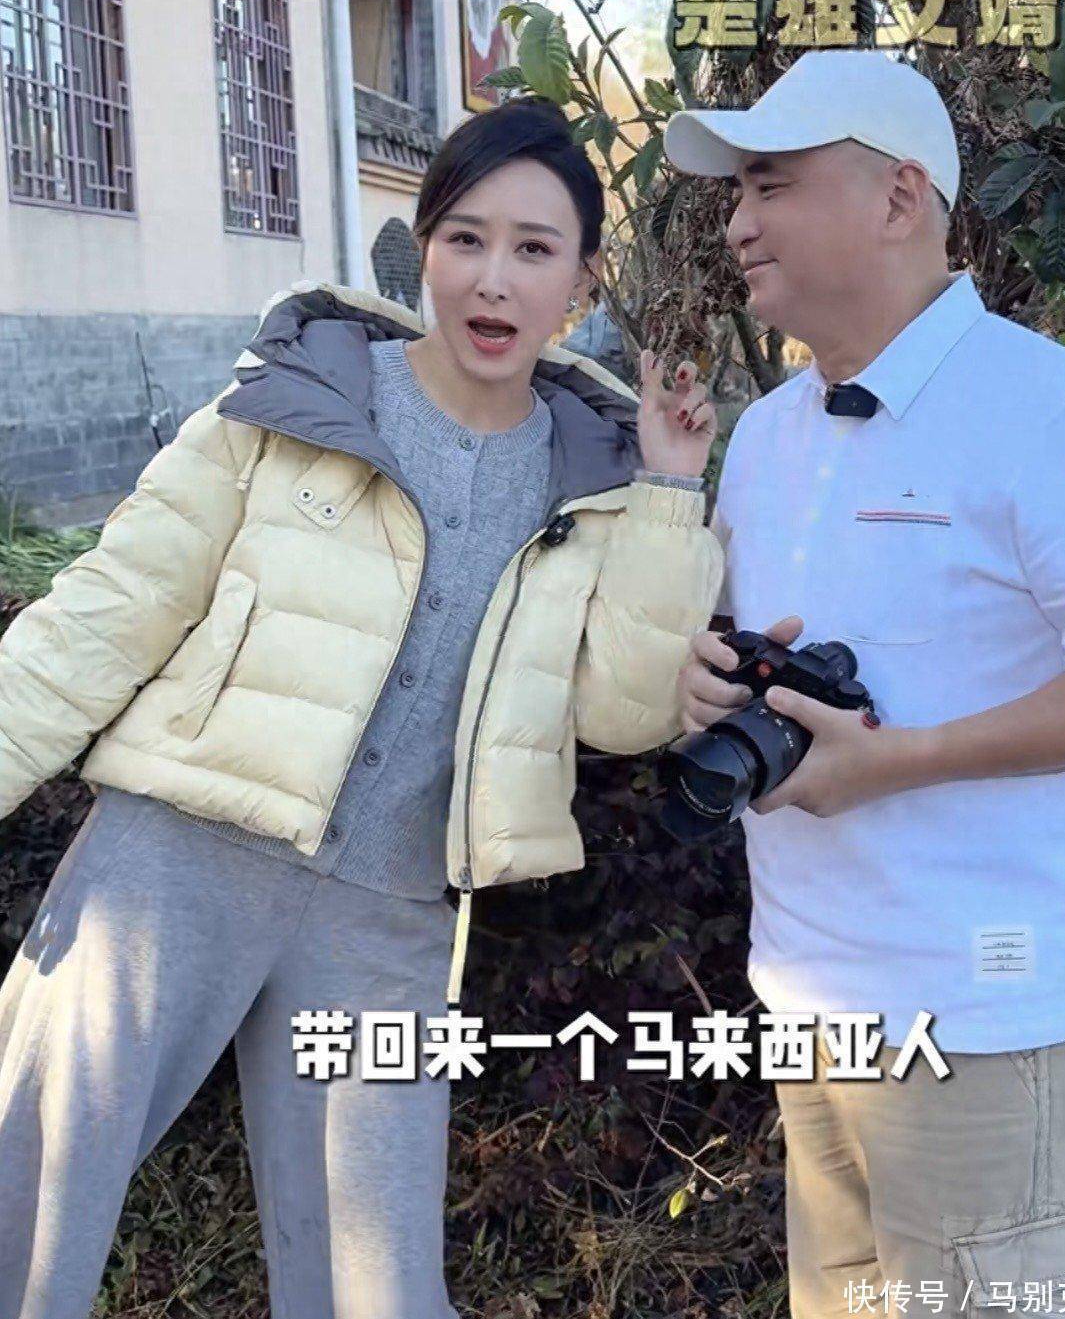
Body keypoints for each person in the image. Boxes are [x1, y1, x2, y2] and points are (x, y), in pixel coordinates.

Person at [0, 98, 724, 1319]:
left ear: (583, 279)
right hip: (173, 864)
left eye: (535, 249)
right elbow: (103, 618)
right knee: (32, 1194)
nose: (493, 279)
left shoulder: (594, 482)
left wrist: (667, 490)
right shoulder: (297, 404)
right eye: (466, 238)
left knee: (377, 1280)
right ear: (423, 245)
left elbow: (623, 713)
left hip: (390, 910)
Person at [664, 50, 1065, 1319]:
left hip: (984, 1017)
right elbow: (756, 651)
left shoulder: (1051, 410)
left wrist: (901, 759)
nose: (738, 223)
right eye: (736, 193)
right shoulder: (767, 434)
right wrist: (706, 680)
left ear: (900, 197)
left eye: (771, 185)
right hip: (811, 1000)